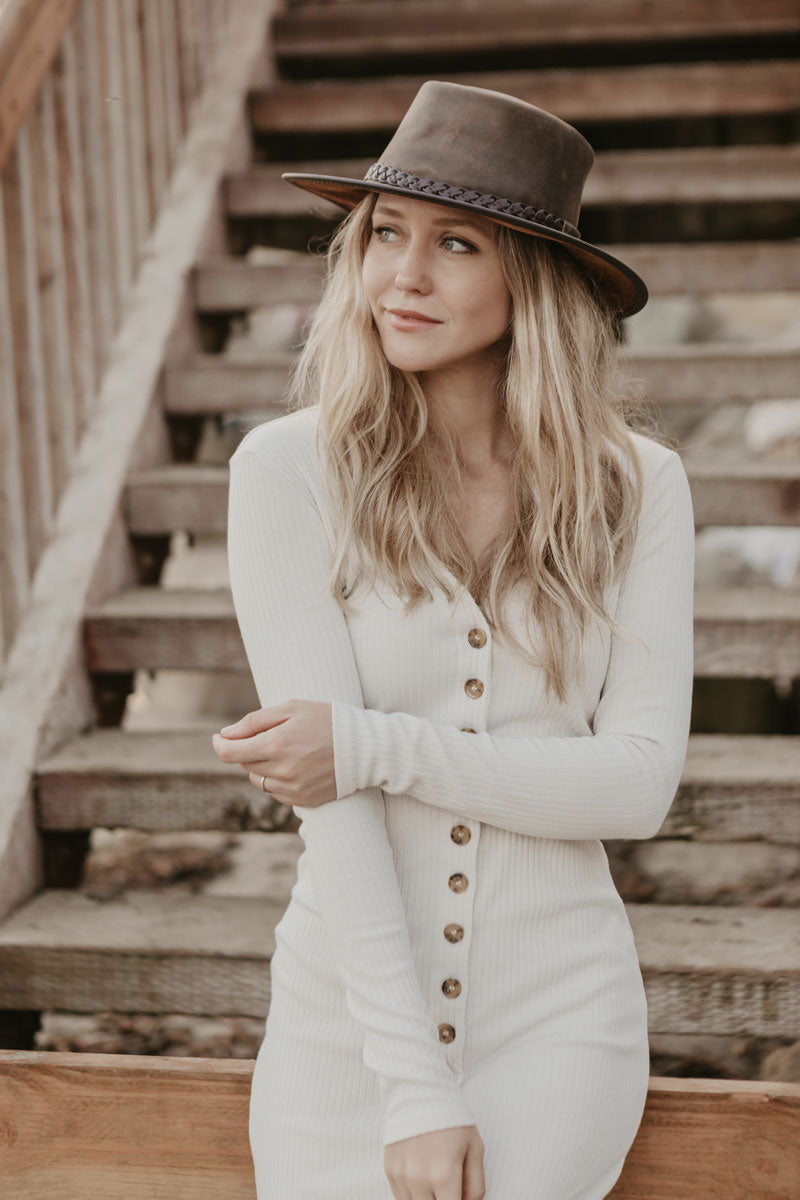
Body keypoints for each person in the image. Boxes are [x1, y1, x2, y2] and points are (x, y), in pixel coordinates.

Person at [211, 80, 695, 1199]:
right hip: (347, 1025)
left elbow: (634, 789)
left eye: (455, 245)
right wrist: (415, 1089)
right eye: (383, 235)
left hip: (560, 1016)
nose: (401, 276)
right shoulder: (287, 471)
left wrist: (373, 746)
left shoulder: (637, 486)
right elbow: (332, 814)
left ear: (529, 280)